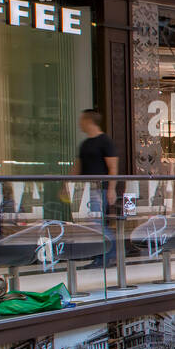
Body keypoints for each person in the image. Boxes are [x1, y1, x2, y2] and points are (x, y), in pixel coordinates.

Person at [74, 109, 118, 267]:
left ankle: (110, 254)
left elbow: (112, 167)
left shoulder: (104, 141)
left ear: (88, 120)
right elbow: (78, 166)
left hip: (99, 189)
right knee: (92, 224)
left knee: (96, 223)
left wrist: (111, 189)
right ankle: (102, 255)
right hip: (85, 189)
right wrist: (68, 184)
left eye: (81, 120)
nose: (79, 123)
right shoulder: (85, 143)